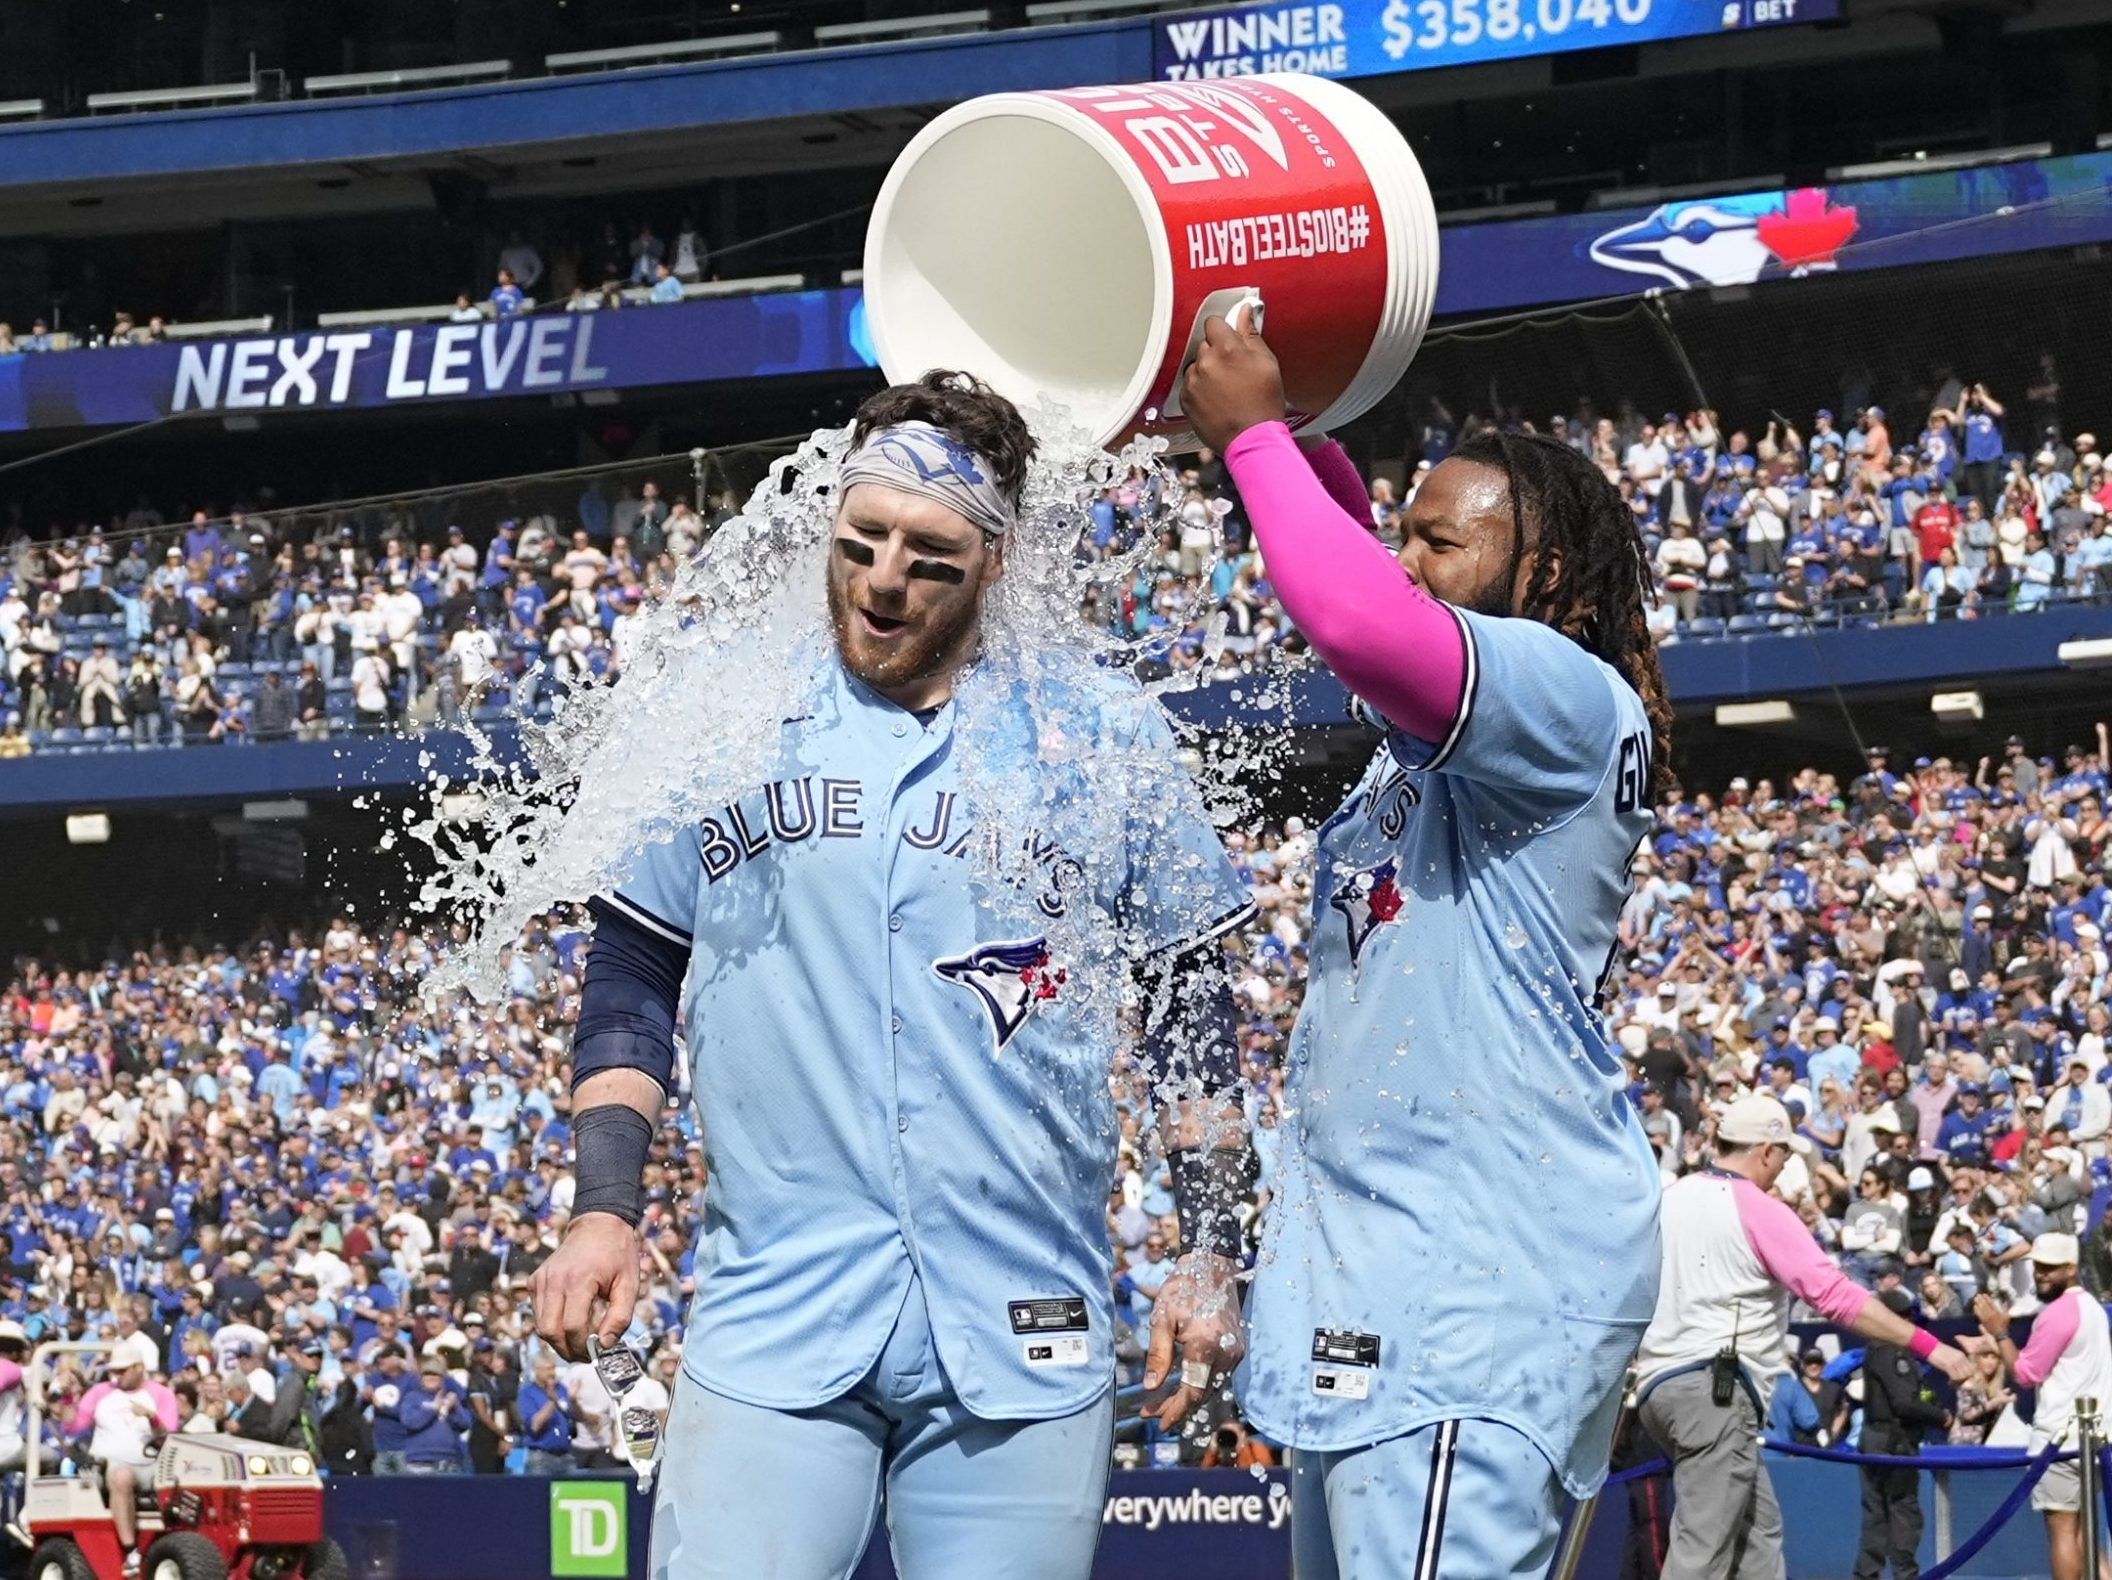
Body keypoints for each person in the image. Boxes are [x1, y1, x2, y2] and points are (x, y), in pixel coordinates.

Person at [530, 371, 1252, 1580]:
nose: (879, 581)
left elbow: (1190, 1008)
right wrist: (605, 1203)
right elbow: (631, 976)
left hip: (1025, 1320)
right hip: (777, 1314)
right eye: (859, 541)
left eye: (929, 556)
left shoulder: (1101, 735)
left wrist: (1214, 1242)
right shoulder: (724, 714)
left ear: (999, 563)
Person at [1184, 315, 1675, 1577]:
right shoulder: (1441, 743)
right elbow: (1361, 573)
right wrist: (1290, 439)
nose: (1405, 560)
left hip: (1479, 1276)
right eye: (1402, 531)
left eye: (1440, 541)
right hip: (1390, 1269)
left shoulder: (1561, 691)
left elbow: (1359, 619)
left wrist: (1249, 440)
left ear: (1549, 575)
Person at [1632, 1095, 1970, 1580]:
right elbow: (1835, 1297)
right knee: (1701, 1551)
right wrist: (1929, 1345)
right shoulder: (1755, 1207)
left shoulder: (1670, 1198)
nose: (1785, 1166)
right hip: (1714, 1388)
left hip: (1660, 1386)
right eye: (1785, 1155)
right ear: (1766, 1151)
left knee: (1757, 1534)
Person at [1973, 1233, 2112, 1580]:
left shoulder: (2057, 1314)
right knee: (2086, 1534)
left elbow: (2024, 1373)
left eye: (2050, 1268)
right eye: (2038, 1267)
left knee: (2065, 1532)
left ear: (2071, 1268)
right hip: (2091, 1440)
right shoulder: (2093, 1309)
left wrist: (2000, 1333)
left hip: (2061, 1440)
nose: (2041, 1274)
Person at [1855, 1287, 1950, 1580]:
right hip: (1894, 1443)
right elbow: (1905, 1402)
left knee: (1876, 1515)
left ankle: (1866, 1575)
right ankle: (1905, 1575)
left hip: (1875, 1439)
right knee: (1902, 1513)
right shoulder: (1892, 1352)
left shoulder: (1874, 1349)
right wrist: (1940, 1415)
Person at [68, 1335, 179, 1575]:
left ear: (139, 1368)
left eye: (122, 1371)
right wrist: (64, 1404)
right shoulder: (100, 1392)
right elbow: (75, 1426)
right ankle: (131, 1551)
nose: (116, 1377)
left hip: (151, 1465)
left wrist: (151, 1417)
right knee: (121, 1476)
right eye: (113, 1371)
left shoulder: (161, 1394)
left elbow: (169, 1433)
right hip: (109, 1465)